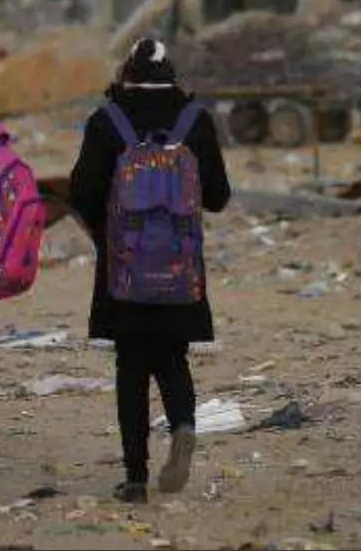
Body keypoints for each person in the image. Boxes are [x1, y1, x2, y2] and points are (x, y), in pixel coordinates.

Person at [68, 38, 231, 505]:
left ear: (126, 74)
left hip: (124, 271)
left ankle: (135, 478)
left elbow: (81, 191)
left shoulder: (107, 122)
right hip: (180, 270)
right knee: (173, 359)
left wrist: (108, 232)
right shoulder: (193, 122)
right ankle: (182, 425)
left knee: (131, 367)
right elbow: (218, 196)